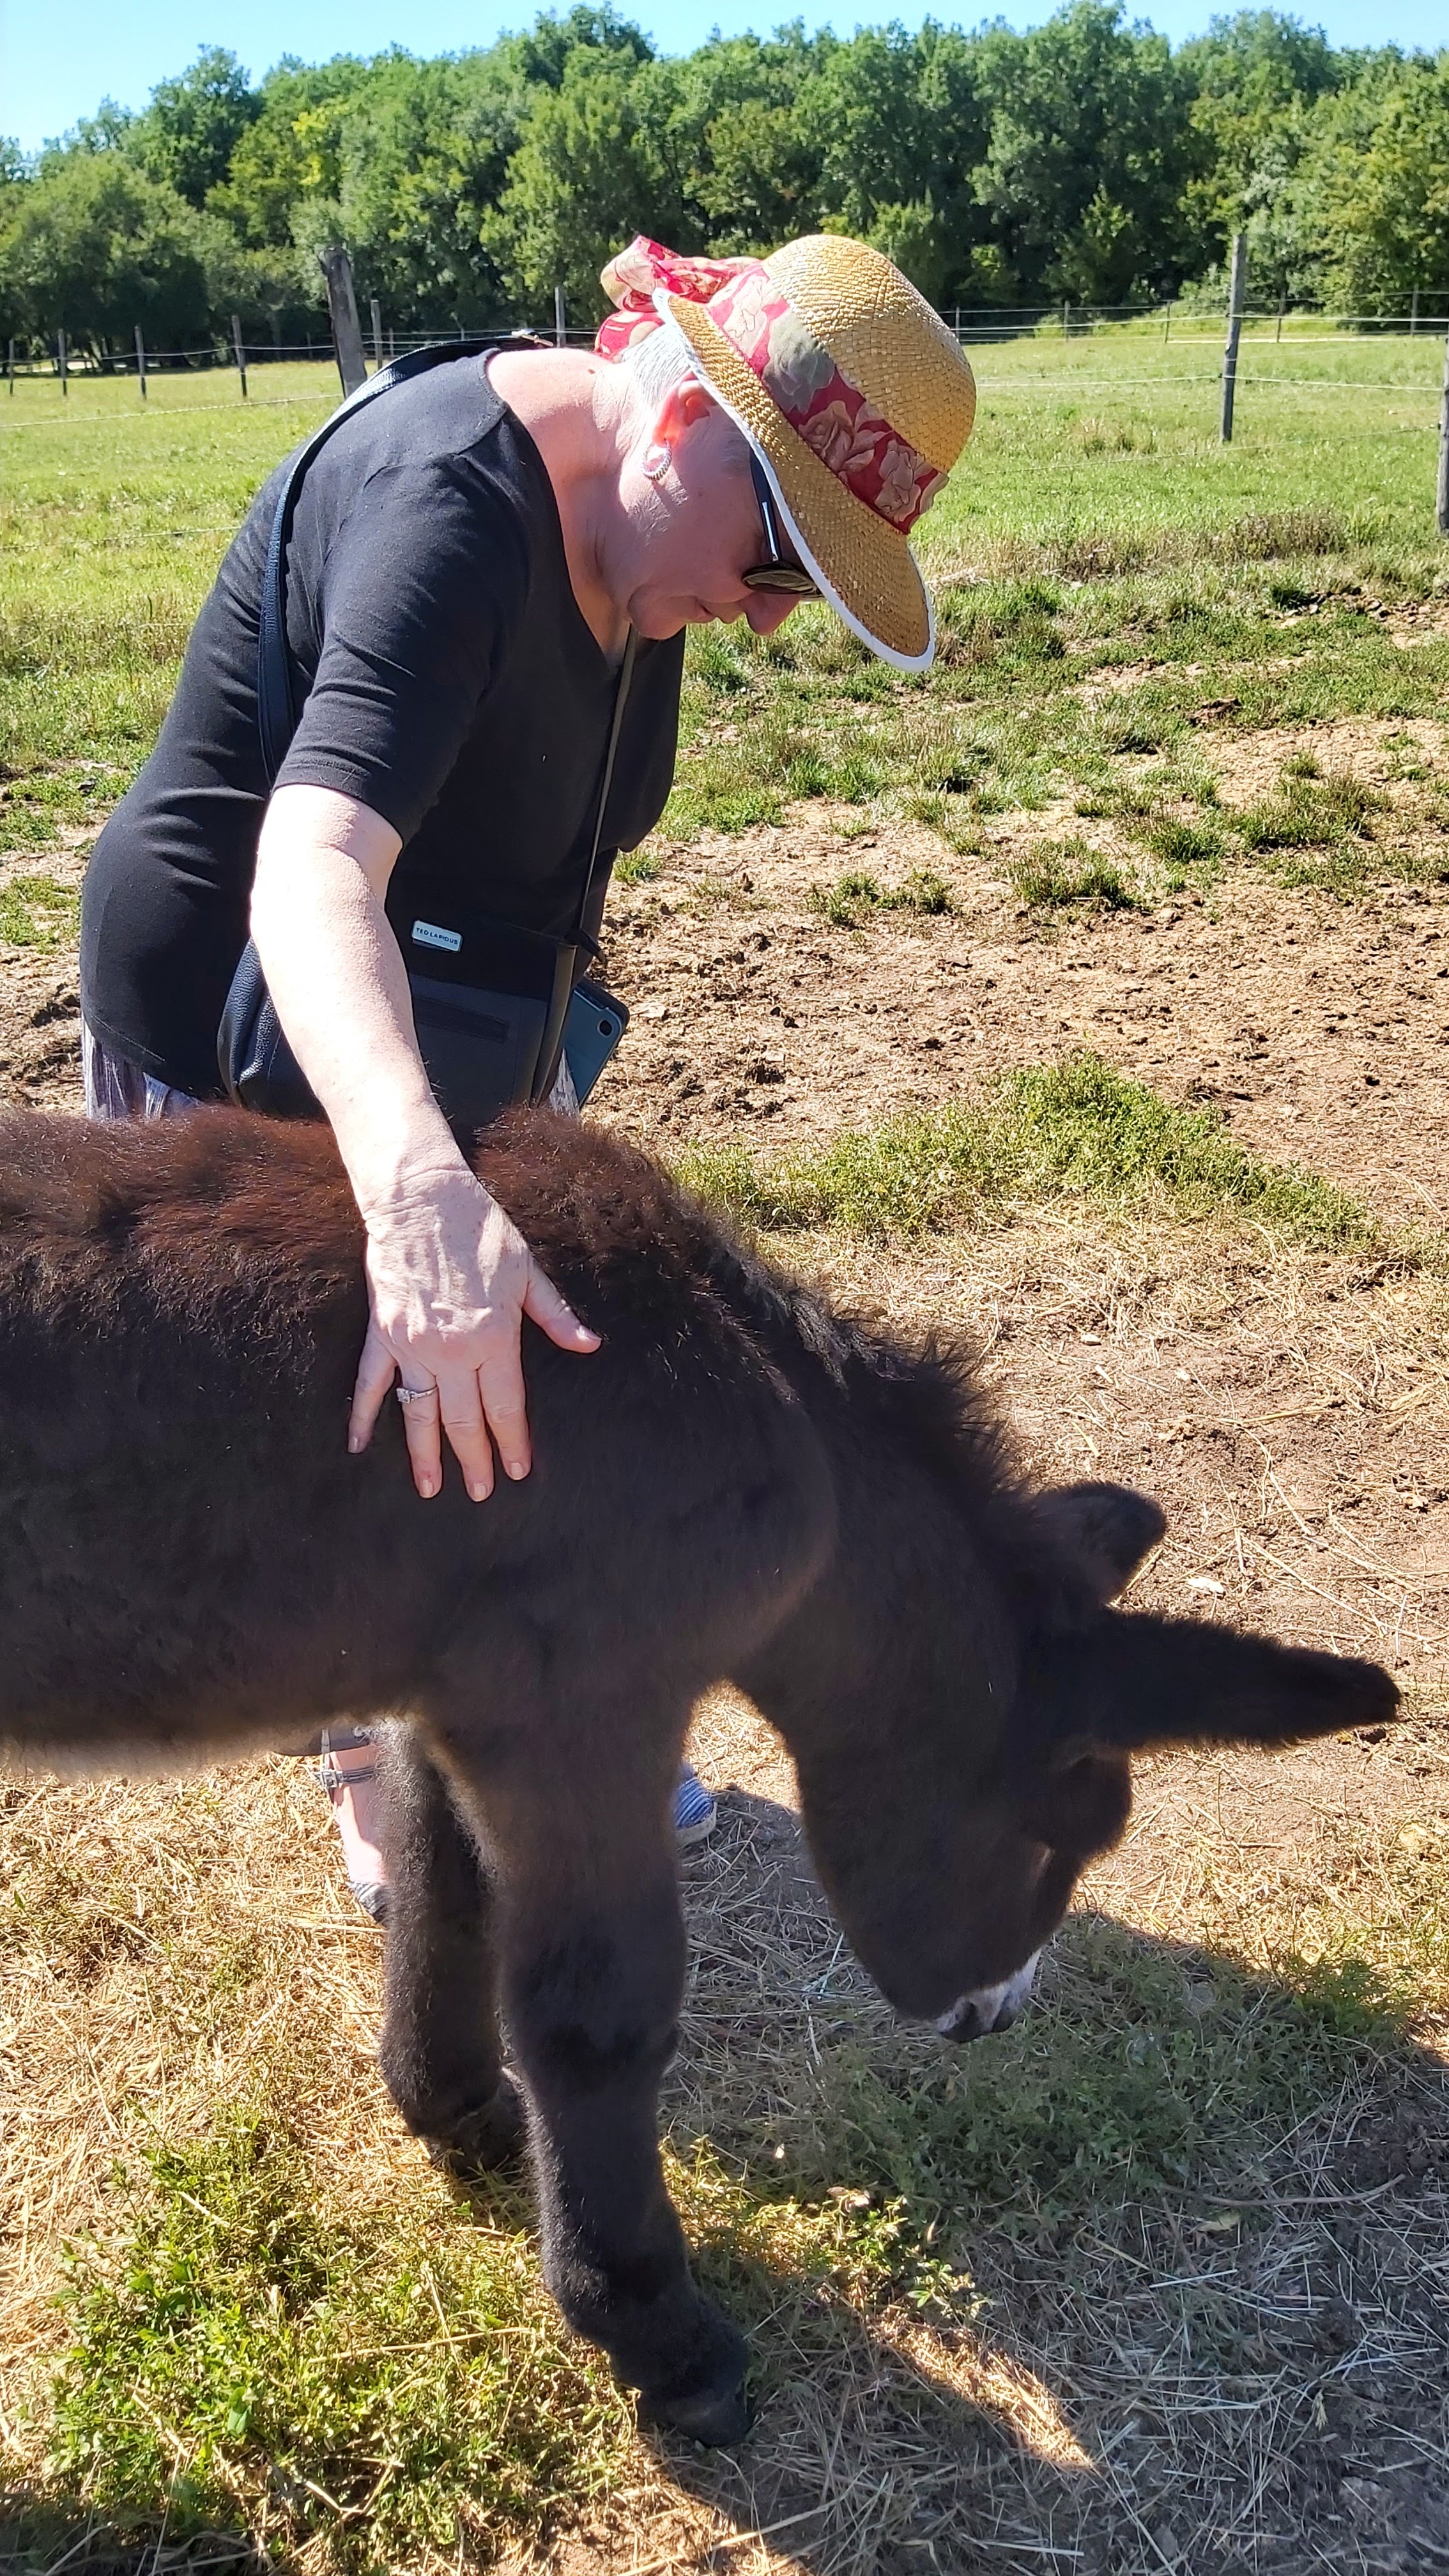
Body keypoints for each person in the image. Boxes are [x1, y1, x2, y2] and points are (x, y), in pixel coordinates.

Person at [78, 231, 978, 1917]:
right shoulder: (450, 512)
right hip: (245, 999)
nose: (765, 616)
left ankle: (505, 1703)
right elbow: (315, 873)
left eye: (797, 591)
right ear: (690, 423)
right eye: (779, 563)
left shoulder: (651, 534)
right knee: (321, 1401)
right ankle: (372, 1763)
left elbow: (537, 838)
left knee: (494, 1356)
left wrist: (520, 1103)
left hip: (455, 997)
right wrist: (419, 1186)